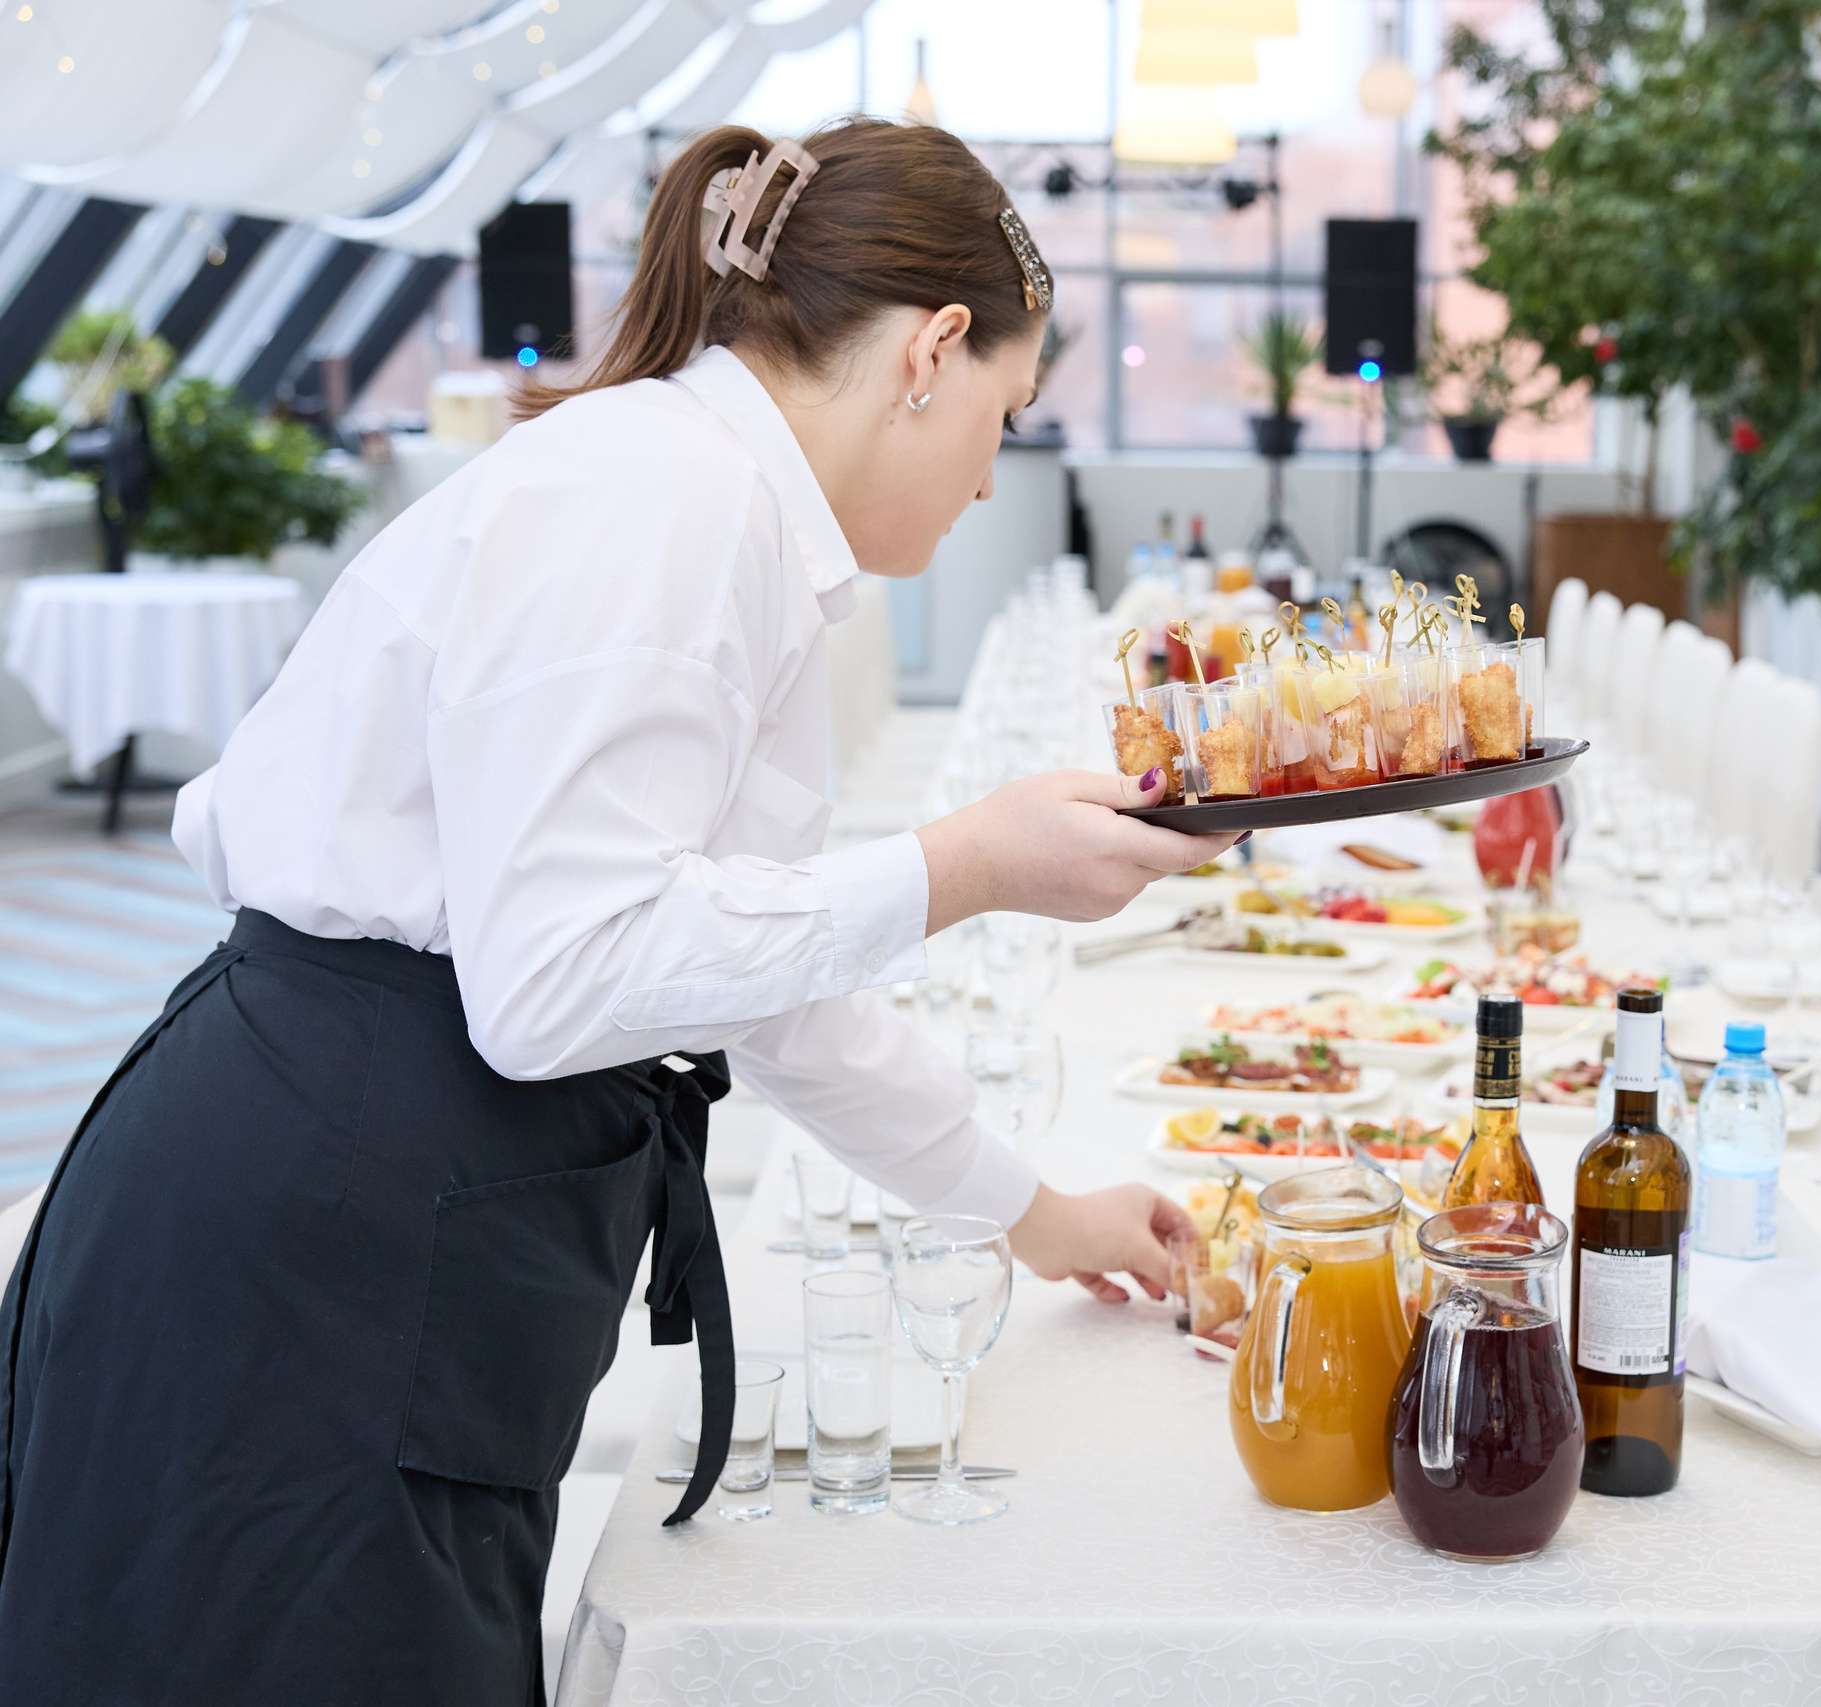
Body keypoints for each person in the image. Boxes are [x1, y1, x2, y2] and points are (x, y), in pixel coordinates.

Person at [0, 119, 1230, 1706]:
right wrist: (963, 868)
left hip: (366, 1205)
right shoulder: (664, 497)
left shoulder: (716, 504)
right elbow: (559, 984)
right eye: (1008, 412)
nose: (995, 472)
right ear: (931, 353)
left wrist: (1036, 1215)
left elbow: (754, 984)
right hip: (317, 1249)